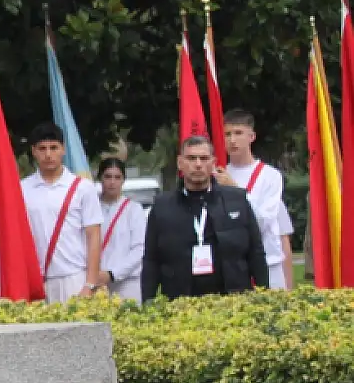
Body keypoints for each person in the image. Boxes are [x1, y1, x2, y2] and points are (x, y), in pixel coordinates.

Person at [141, 134, 267, 299]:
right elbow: (151, 260)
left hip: (233, 301)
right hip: (181, 302)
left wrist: (265, 297)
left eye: (204, 158)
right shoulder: (162, 206)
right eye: (192, 158)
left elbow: (256, 252)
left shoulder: (237, 200)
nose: (198, 164)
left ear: (213, 163)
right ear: (180, 163)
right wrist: (148, 302)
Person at [21, 122, 103, 302]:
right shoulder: (22, 189)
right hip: (36, 279)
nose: (48, 154)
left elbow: (94, 236)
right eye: (42, 149)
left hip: (74, 277)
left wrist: (90, 283)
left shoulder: (83, 188)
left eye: (53, 147)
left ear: (63, 149)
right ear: (34, 151)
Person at [217, 110, 294, 290]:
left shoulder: (270, 176)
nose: (232, 140)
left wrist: (235, 189)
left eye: (238, 133)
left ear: (252, 136)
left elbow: (263, 220)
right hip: (234, 265)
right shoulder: (219, 174)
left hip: (268, 262)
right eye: (227, 134)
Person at [95, 157, 146, 302]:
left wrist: (112, 274)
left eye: (117, 177)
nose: (112, 182)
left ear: (123, 180)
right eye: (108, 177)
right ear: (100, 178)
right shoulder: (91, 207)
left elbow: (139, 250)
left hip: (127, 284)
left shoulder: (134, 210)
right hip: (96, 283)